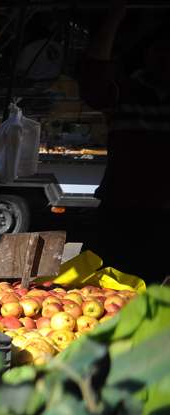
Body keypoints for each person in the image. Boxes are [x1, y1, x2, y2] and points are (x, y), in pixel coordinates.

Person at [78, 0, 170, 286]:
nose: (166, 57)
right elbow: (91, 85)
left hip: (166, 220)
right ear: (146, 54)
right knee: (89, 288)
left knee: (157, 303)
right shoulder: (127, 91)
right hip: (119, 212)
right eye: (160, 49)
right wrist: (113, 19)